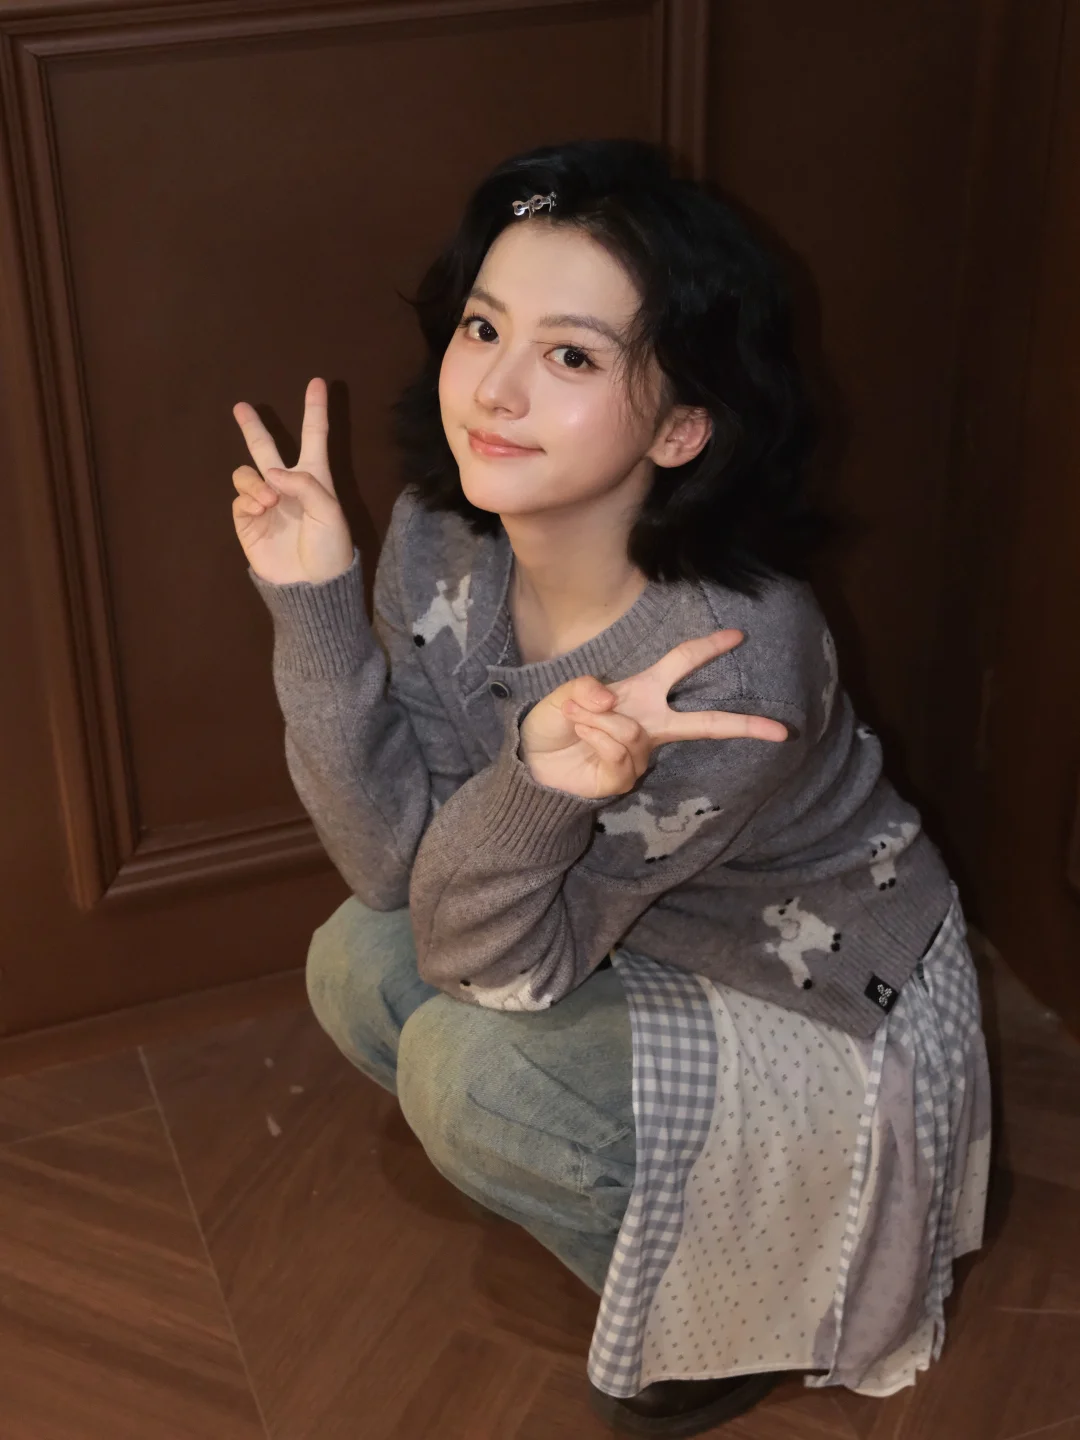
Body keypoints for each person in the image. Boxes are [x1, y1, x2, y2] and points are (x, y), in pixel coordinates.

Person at [230, 138, 991, 1437]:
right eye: (484, 327)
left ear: (683, 426)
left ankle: (733, 1315)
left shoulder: (726, 664)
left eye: (573, 357)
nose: (495, 388)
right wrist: (312, 608)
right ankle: (659, 1239)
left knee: (471, 1075)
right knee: (355, 962)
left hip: (808, 976)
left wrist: (535, 785)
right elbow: (394, 869)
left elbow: (493, 958)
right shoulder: (442, 530)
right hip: (598, 907)